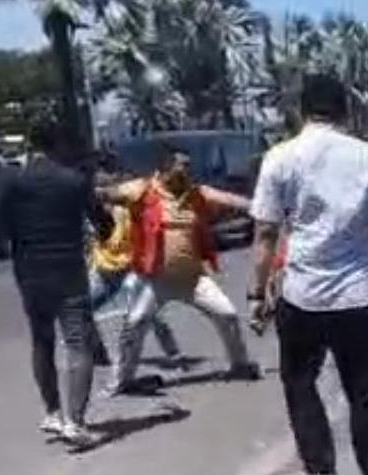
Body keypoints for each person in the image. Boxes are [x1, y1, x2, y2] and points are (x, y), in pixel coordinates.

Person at [248, 74, 368, 475]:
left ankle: (319, 471)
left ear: (301, 110)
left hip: (302, 293)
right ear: (345, 110)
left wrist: (257, 292)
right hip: (359, 293)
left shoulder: (280, 157)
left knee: (299, 381)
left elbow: (265, 233)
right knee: (363, 391)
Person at [0, 120, 112, 447]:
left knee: (42, 341)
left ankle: (52, 412)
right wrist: (103, 228)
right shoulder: (74, 180)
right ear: (58, 145)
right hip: (69, 272)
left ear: (30, 145)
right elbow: (103, 224)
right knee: (78, 345)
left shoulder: (10, 179)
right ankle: (75, 422)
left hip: (30, 274)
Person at [97, 146, 259, 395]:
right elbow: (107, 194)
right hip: (156, 280)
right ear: (164, 169)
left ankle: (240, 365)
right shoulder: (142, 189)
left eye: (188, 166)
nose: (186, 171)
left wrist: (264, 207)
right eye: (181, 166)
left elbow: (233, 201)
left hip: (193, 279)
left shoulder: (197, 193)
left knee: (227, 314)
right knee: (136, 322)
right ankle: (123, 380)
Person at [87, 180, 182, 369]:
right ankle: (99, 354)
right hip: (105, 272)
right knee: (82, 310)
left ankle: (174, 353)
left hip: (130, 269)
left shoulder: (126, 214)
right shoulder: (91, 219)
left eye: (103, 201)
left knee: (150, 312)